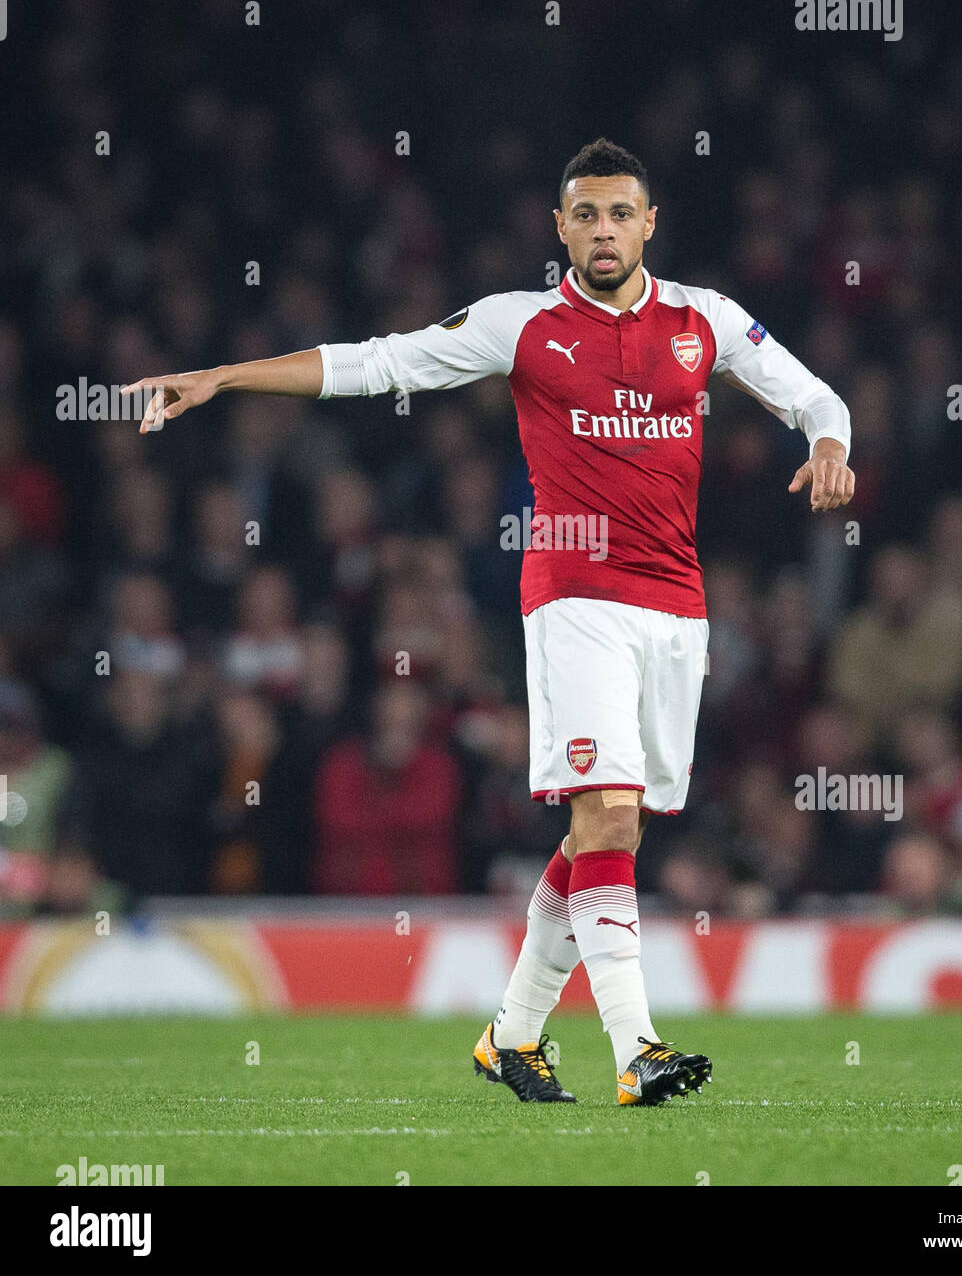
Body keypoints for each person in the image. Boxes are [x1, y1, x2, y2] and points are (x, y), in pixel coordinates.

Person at [123, 138, 854, 1106]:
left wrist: (833, 443)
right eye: (584, 215)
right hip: (573, 601)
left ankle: (510, 1038)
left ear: (648, 223)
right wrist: (223, 375)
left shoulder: (701, 320)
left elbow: (811, 394)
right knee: (608, 813)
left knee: (609, 829)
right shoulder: (521, 326)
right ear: (559, 228)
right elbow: (379, 364)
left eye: (618, 213)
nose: (602, 230)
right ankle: (638, 1051)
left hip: (676, 610)